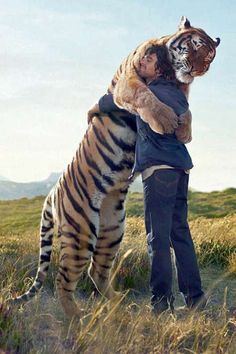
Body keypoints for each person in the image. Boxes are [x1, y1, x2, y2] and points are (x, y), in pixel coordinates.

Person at [88, 45, 207, 315]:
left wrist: (95, 108)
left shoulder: (149, 93)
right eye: (142, 57)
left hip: (160, 171)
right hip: (180, 168)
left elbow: (120, 99)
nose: (142, 61)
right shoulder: (177, 93)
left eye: (149, 59)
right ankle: (195, 298)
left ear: (161, 67)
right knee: (181, 235)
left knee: (157, 238)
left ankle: (161, 304)